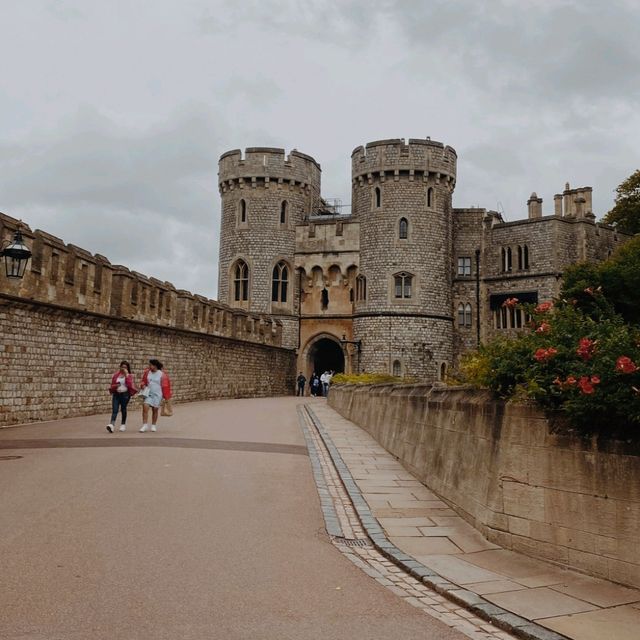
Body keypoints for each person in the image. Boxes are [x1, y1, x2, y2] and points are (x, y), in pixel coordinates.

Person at [139, 359, 172, 433]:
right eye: (149, 365)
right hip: (149, 393)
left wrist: (166, 397)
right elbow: (143, 381)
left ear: (155, 365)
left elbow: (166, 386)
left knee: (155, 409)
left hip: (158, 394)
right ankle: (144, 425)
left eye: (151, 365)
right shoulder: (147, 372)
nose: (149, 366)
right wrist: (143, 385)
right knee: (145, 407)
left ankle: (153, 425)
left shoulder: (162, 374)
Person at [107, 361, 137, 433]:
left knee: (123, 409)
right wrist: (115, 386)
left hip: (125, 395)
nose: (123, 369)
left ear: (127, 368)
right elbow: (112, 385)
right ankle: (112, 424)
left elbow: (129, 385)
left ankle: (123, 424)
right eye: (122, 367)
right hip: (116, 394)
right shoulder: (116, 375)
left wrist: (126, 375)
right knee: (115, 410)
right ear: (120, 367)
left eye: (125, 367)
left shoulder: (129, 376)